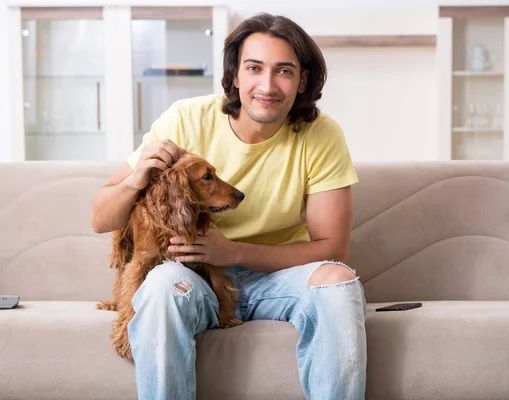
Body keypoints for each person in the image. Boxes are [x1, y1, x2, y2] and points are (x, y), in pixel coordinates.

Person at [91, 12, 367, 400]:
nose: (267, 85)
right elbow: (100, 217)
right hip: (195, 277)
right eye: (254, 68)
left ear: (302, 80)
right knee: (159, 286)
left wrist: (233, 251)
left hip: (277, 280)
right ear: (235, 75)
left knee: (338, 284)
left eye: (284, 71)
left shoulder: (321, 134)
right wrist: (137, 179)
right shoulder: (186, 118)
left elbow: (332, 249)